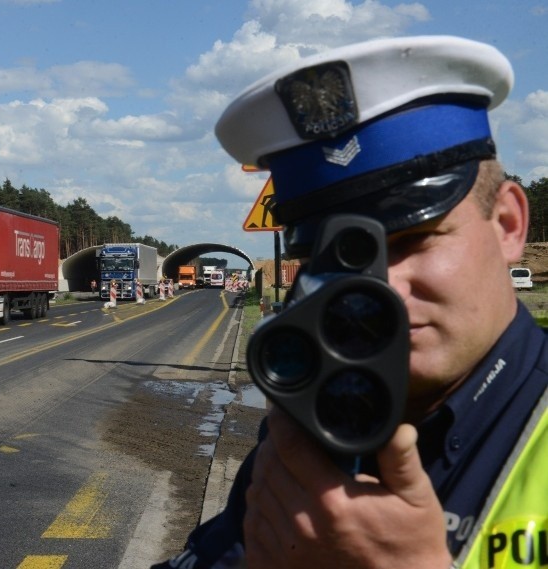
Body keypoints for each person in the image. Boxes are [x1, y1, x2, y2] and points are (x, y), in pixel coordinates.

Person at [153, 36, 547, 569]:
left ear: (507, 225)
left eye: (412, 242)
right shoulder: (319, 421)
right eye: (333, 258)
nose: (378, 291)